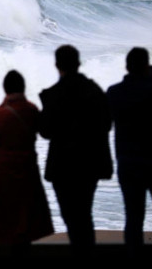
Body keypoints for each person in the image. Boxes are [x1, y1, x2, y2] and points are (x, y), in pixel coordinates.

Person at [106, 47, 152, 257]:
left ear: (127, 67)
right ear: (147, 67)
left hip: (128, 162)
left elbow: (104, 123)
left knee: (133, 217)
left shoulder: (114, 92)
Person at [38, 45, 112, 255]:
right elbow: (107, 124)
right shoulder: (94, 91)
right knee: (84, 212)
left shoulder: (54, 94)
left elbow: (45, 131)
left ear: (57, 65)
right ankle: (85, 253)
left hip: (63, 165)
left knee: (70, 215)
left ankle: (82, 253)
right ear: (79, 64)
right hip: (90, 163)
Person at [0, 70, 53, 254]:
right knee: (22, 224)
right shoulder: (32, 110)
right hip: (27, 174)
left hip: (2, 178)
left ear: (5, 89)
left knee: (1, 224)